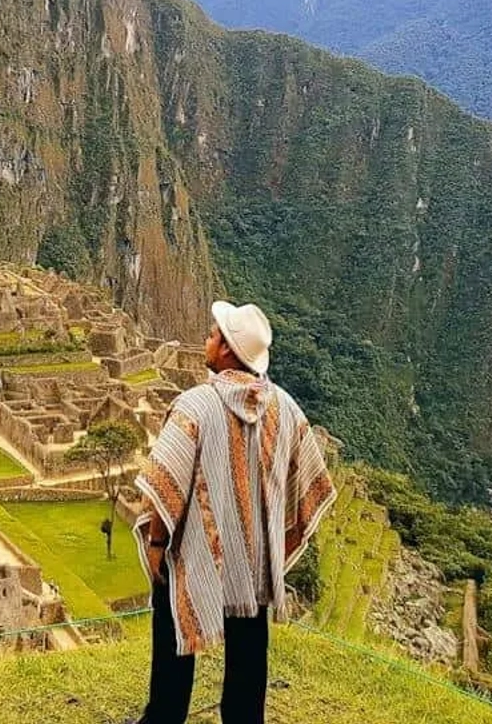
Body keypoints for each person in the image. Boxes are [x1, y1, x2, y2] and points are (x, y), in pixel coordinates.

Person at [134, 301, 336, 724]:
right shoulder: (285, 408)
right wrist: (274, 539)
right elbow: (309, 477)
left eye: (212, 335)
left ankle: (164, 717)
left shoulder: (195, 406)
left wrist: (156, 541)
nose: (206, 339)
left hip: (199, 552)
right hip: (253, 559)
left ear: (227, 351)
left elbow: (166, 482)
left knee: (172, 630)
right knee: (249, 649)